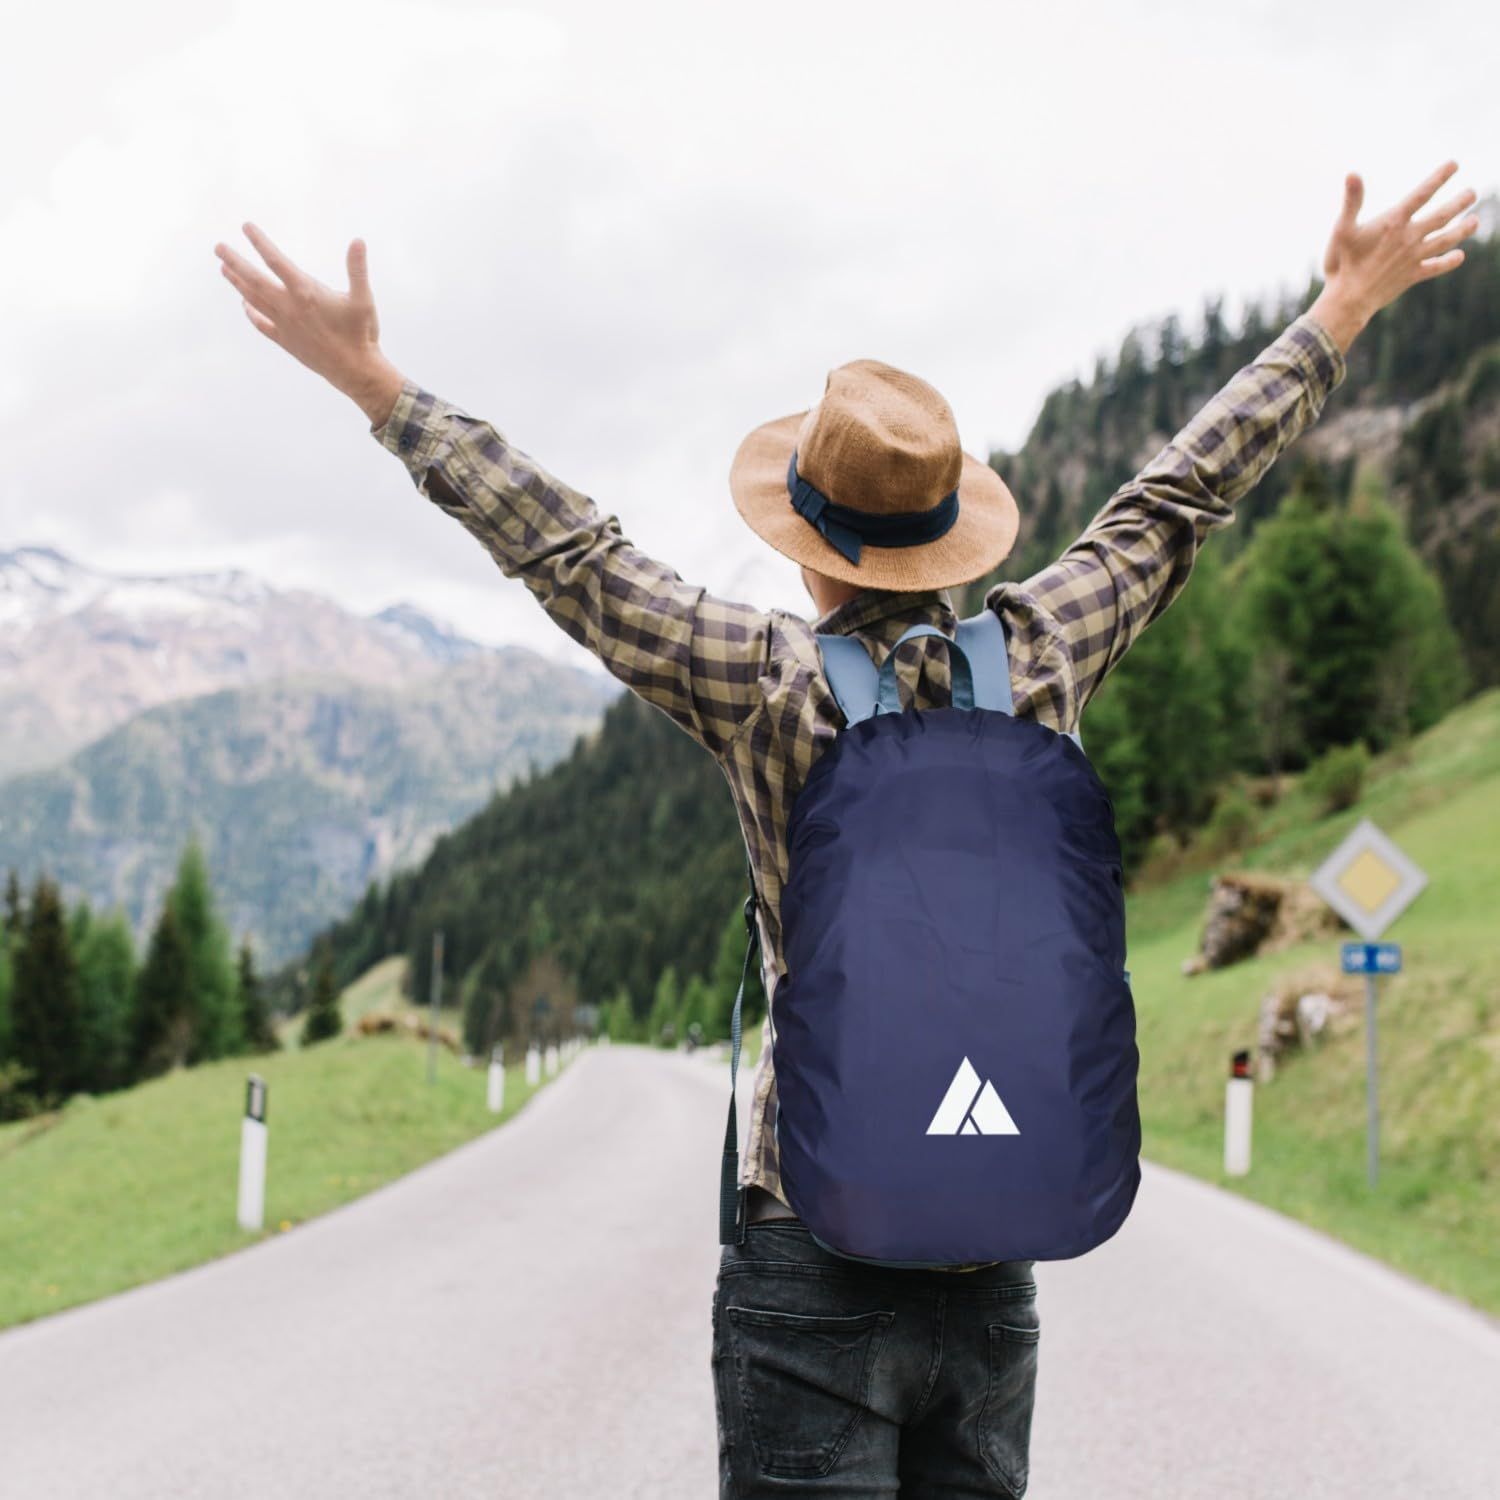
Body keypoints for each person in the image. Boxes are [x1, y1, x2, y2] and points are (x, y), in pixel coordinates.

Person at [215, 159, 1475, 1498]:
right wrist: (1339, 308)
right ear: (954, 537)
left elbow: (570, 553)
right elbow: (1177, 501)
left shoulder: (762, 684)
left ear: (809, 550)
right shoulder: (1046, 654)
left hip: (811, 1244)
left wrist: (377, 388)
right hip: (991, 1261)